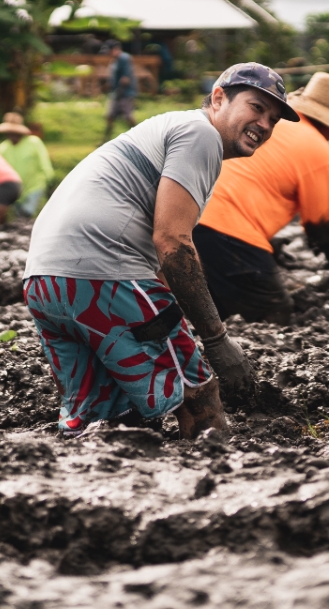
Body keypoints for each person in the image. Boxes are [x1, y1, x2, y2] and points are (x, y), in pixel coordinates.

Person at [23, 63, 296, 437]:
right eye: (255, 107)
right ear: (219, 98)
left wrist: (172, 316)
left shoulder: (171, 126)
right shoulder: (201, 134)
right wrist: (216, 341)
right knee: (197, 394)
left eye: (273, 118)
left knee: (100, 419)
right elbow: (172, 240)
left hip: (46, 281)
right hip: (105, 274)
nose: (264, 124)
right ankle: (218, 484)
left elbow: (160, 258)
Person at [196, 72, 329, 324]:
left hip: (191, 213)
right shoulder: (320, 150)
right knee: (273, 316)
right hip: (231, 233)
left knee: (213, 310)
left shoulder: (267, 126)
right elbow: (319, 227)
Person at [0, 112, 54, 218]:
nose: (12, 135)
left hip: (34, 186)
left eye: (14, 132)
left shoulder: (34, 143)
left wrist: (49, 180)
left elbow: (45, 163)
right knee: (19, 219)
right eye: (9, 132)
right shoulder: (3, 148)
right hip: (16, 190)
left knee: (27, 213)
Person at [102, 39, 137, 142]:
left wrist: (119, 92)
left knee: (128, 116)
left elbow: (125, 79)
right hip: (116, 93)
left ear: (115, 49)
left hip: (124, 93)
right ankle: (105, 140)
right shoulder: (115, 60)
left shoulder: (124, 58)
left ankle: (139, 138)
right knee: (110, 116)